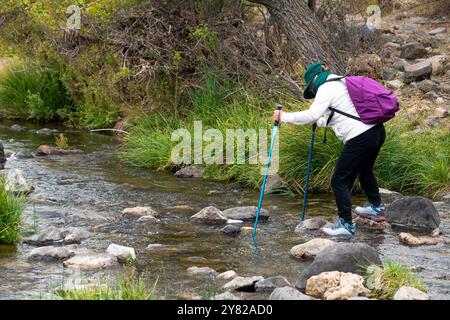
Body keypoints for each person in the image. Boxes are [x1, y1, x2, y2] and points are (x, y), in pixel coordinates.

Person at [273, 63, 386, 236]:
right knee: (365, 170)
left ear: (314, 81)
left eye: (311, 88)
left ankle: (346, 225)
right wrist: (319, 122)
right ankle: (376, 207)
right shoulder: (343, 83)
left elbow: (312, 114)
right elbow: (338, 114)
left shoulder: (326, 87)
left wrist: (284, 117)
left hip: (360, 136)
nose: (313, 92)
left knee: (339, 180)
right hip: (377, 131)